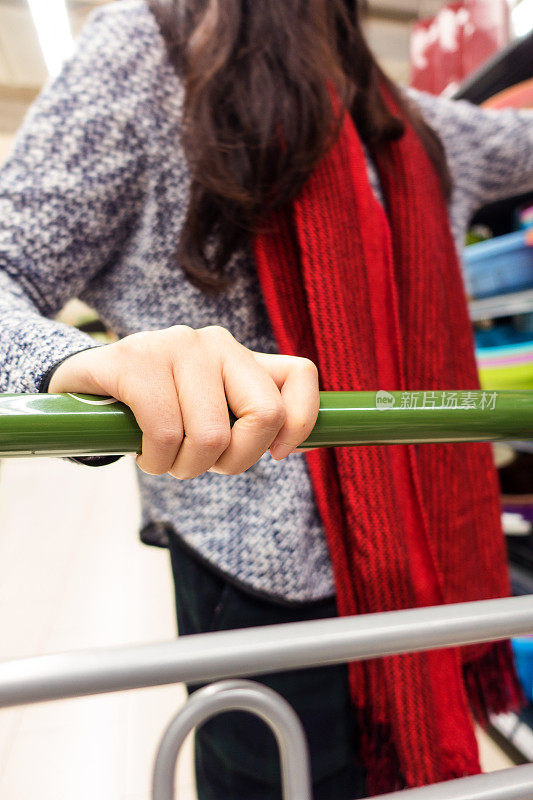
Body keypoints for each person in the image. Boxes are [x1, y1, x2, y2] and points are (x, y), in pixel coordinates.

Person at [0, 1, 532, 797]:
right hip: (255, 599)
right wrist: (80, 363)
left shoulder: (400, 120)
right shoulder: (146, 57)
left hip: (426, 566)